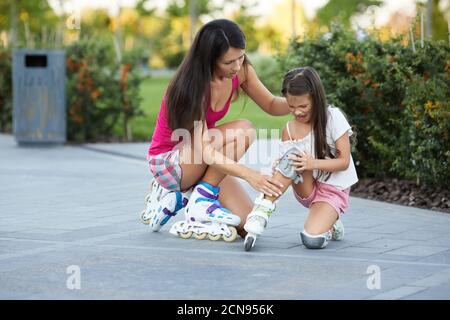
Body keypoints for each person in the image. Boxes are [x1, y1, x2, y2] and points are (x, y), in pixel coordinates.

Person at [141, 19, 290, 241]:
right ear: (209, 59)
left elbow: (271, 105)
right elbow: (206, 152)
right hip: (171, 164)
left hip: (202, 158)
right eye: (229, 62)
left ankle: (188, 196)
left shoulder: (241, 71)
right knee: (244, 130)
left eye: (241, 57)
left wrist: (305, 101)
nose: (237, 66)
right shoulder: (192, 87)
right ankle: (195, 198)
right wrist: (251, 176)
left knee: (246, 224)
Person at [243, 66, 358, 251]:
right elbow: (287, 164)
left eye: (303, 106)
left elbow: (344, 162)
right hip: (306, 187)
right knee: (293, 155)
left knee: (312, 240)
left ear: (316, 99)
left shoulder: (333, 117)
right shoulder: (289, 129)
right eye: (291, 107)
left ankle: (330, 221)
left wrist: (312, 163)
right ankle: (262, 210)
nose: (297, 112)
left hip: (333, 190)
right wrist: (279, 164)